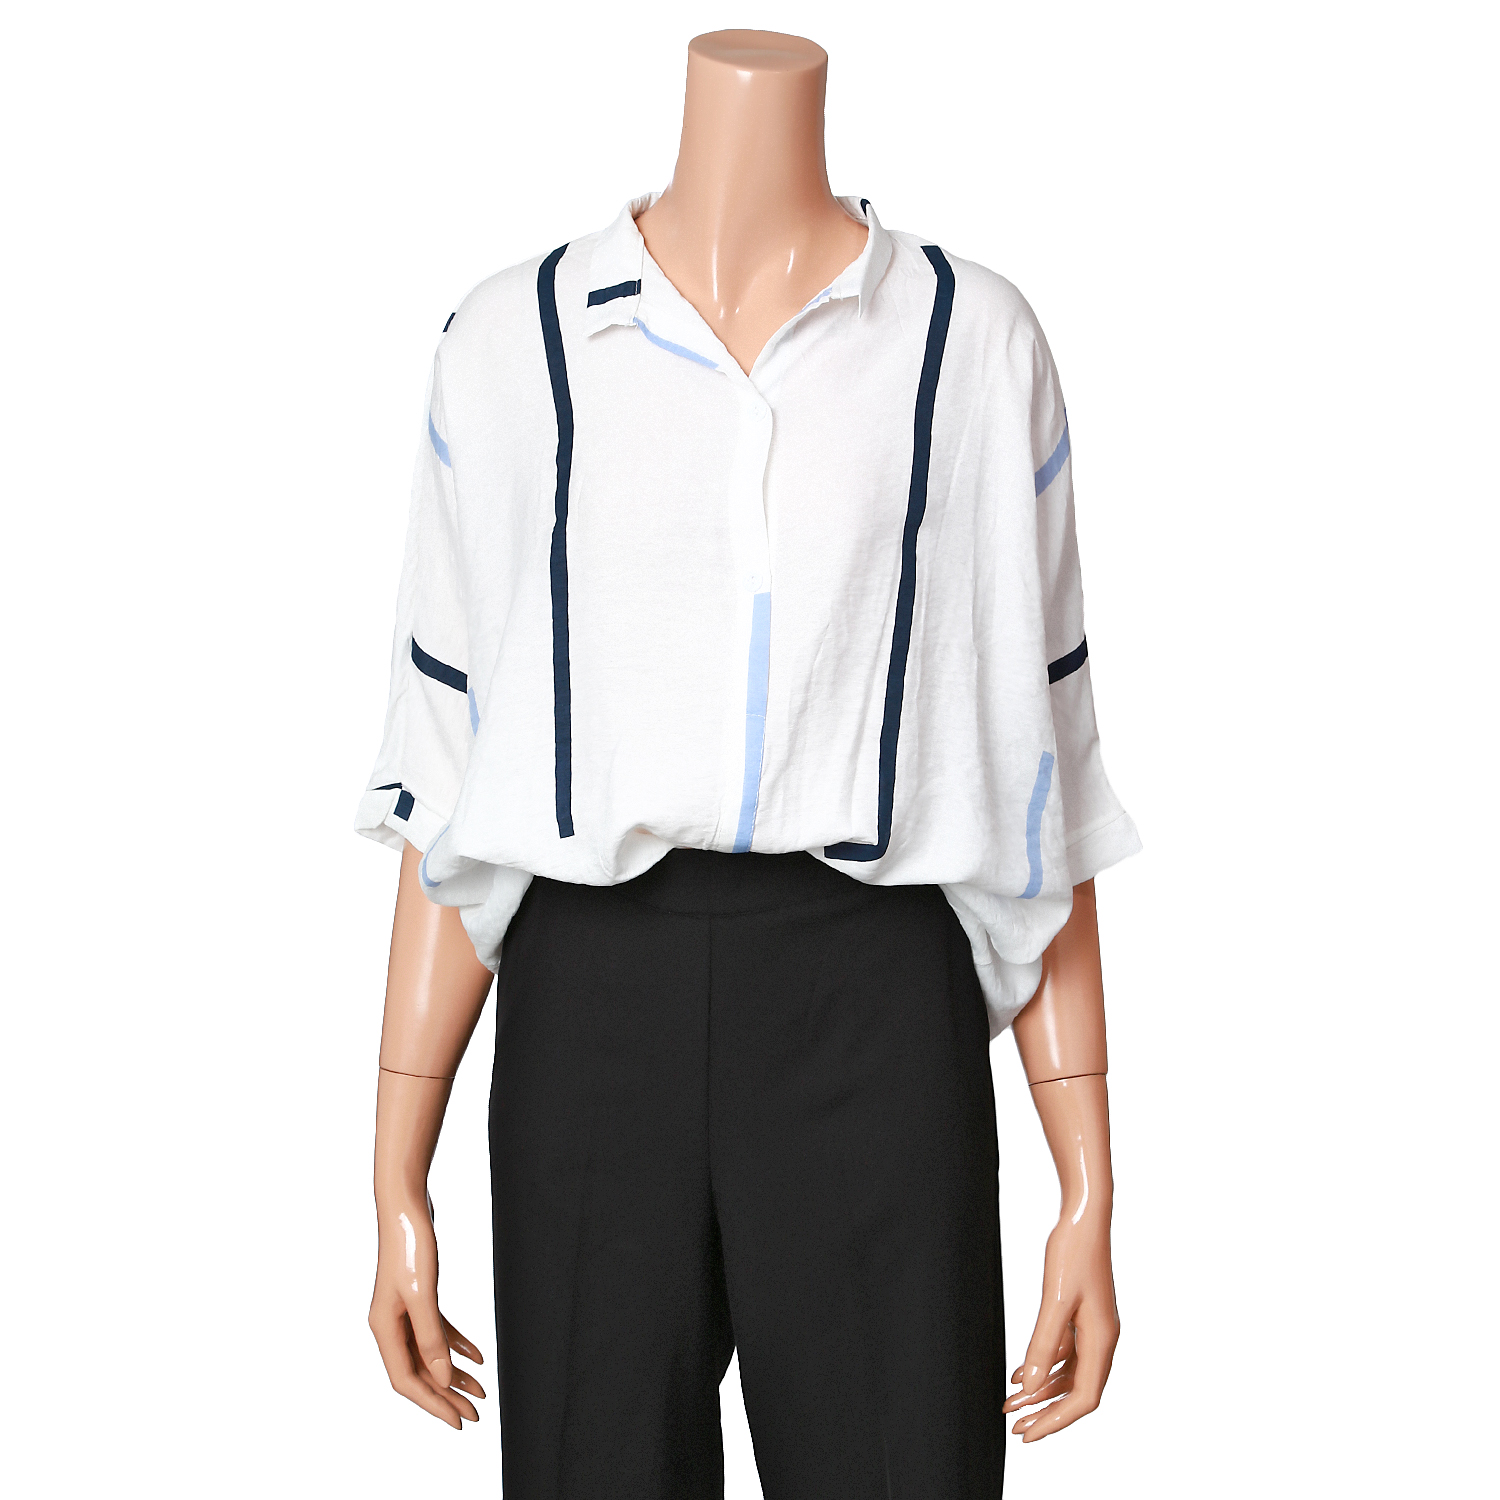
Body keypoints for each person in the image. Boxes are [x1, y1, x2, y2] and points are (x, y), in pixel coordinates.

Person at [358, 29, 1139, 1499]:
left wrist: (1088, 1183)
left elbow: (1044, 764)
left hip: (875, 1001)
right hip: (590, 1006)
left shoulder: (970, 343)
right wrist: (397, 1162)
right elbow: (448, 765)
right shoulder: (512, 343)